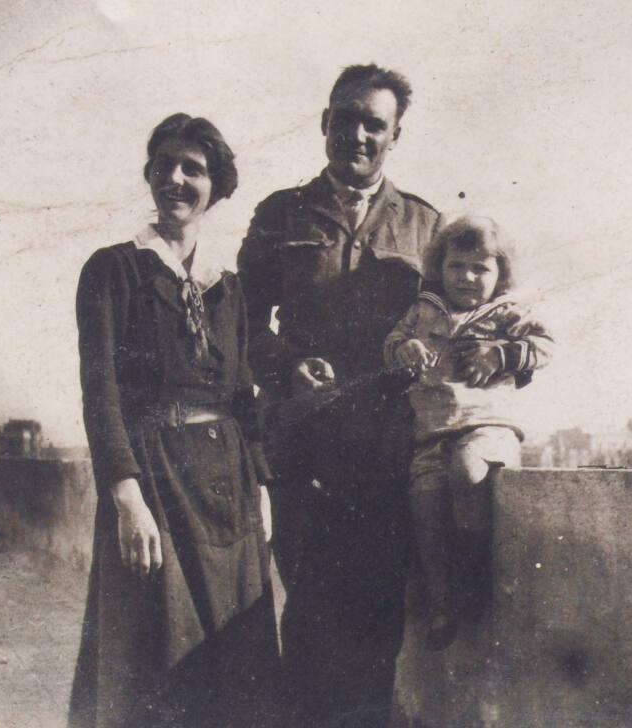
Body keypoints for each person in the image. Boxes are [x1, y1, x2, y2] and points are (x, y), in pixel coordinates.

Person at [237, 64, 442, 727]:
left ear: (395, 135)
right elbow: (238, 325)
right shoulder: (279, 214)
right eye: (345, 118)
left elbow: (452, 327)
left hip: (386, 453)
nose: (357, 134)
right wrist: (288, 364)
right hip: (302, 449)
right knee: (307, 613)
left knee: (379, 619)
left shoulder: (425, 226)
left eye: (373, 124)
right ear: (325, 123)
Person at [68, 113, 279, 728]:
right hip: (154, 485)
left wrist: (261, 483)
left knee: (234, 669)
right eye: (165, 166)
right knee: (152, 666)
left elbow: (243, 394)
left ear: (216, 186)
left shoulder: (229, 286)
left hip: (230, 490)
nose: (177, 179)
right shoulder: (113, 270)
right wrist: (124, 494)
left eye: (195, 169)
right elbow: (99, 389)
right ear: (149, 175)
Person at [384, 215, 554, 649]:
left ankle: (475, 575)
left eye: (481, 268)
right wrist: (406, 348)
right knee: (424, 507)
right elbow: (390, 346)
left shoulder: (505, 312)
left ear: (500, 274)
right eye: (457, 266)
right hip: (431, 431)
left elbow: (544, 345)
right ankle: (443, 606)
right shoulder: (424, 310)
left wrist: (500, 356)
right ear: (440, 267)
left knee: (467, 472)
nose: (467, 277)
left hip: (487, 426)